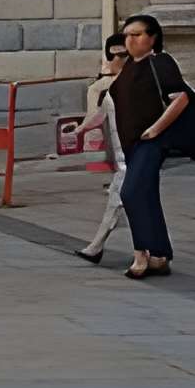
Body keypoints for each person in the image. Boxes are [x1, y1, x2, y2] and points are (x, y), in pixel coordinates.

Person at [112, 11, 195, 281]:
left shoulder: (161, 63)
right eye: (127, 35)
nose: (130, 40)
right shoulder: (128, 66)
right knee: (146, 195)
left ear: (152, 38)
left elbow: (180, 99)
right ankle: (160, 255)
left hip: (152, 142)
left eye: (136, 35)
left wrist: (155, 129)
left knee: (131, 193)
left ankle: (141, 254)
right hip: (132, 143)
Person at [74, 30, 131, 266]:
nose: (113, 61)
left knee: (117, 201)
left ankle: (95, 247)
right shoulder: (111, 87)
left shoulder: (136, 85)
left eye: (120, 56)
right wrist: (79, 130)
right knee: (136, 206)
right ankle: (158, 250)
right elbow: (100, 116)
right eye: (112, 55)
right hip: (122, 158)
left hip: (133, 157)